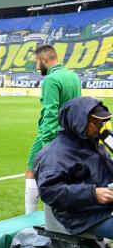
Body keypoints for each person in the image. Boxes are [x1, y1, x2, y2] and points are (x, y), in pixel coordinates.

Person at [35, 97, 113, 238]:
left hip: (103, 208)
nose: (100, 127)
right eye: (95, 123)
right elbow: (49, 191)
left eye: (102, 123)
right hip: (82, 216)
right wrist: (93, 194)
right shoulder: (55, 154)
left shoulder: (92, 143)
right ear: (78, 122)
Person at [25, 45, 81, 214]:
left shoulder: (51, 80)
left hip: (52, 135)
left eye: (37, 62)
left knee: (31, 171)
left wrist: (46, 143)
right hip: (72, 134)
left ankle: (29, 220)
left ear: (44, 59)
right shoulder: (73, 76)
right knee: (66, 175)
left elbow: (50, 112)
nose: (36, 67)